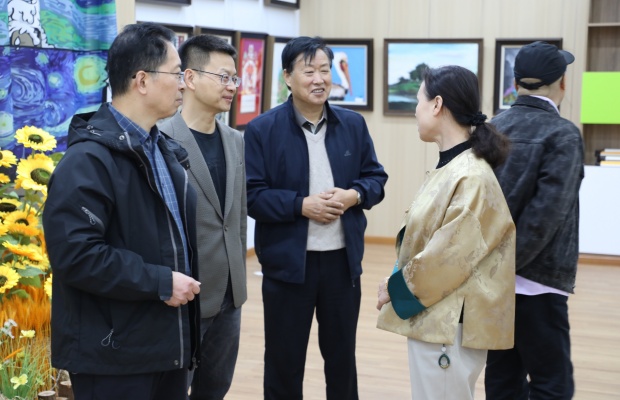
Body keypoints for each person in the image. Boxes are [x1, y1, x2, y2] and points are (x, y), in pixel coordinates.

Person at [42, 23, 201, 400]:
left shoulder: (161, 150)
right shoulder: (88, 161)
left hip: (164, 346)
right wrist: (160, 282)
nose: (183, 84)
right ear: (142, 80)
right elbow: (76, 256)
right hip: (112, 356)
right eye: (176, 73)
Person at [244, 36, 388, 400]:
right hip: (288, 267)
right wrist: (300, 205)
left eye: (325, 70)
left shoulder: (352, 125)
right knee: (284, 362)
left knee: (342, 362)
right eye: (309, 71)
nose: (319, 79)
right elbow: (252, 196)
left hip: (342, 264)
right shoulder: (262, 129)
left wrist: (354, 195)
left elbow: (376, 179)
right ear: (288, 77)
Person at [376, 65, 516, 400]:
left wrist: (395, 288)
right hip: (438, 315)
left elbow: (448, 257)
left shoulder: (471, 175)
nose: (416, 110)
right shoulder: (453, 166)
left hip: (449, 322)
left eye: (419, 100)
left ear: (437, 104)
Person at [484, 41, 584, 400]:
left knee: (502, 377)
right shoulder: (563, 134)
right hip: (539, 283)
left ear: (515, 83)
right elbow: (546, 216)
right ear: (562, 83)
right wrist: (509, 265)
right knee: (552, 382)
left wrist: (496, 268)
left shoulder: (493, 128)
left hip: (494, 281)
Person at [158, 34, 247, 400]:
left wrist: (239, 276)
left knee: (215, 388)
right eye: (223, 77)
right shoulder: (161, 139)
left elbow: (237, 217)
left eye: (235, 78)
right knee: (173, 390)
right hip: (185, 295)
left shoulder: (235, 140)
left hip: (230, 294)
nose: (232, 87)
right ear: (190, 78)